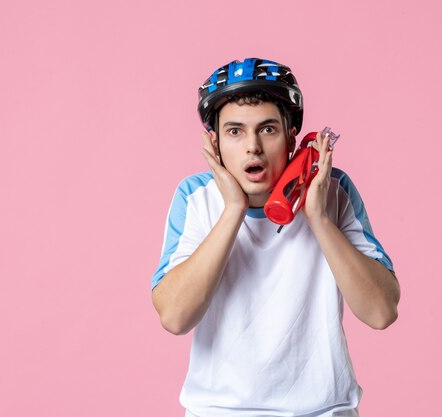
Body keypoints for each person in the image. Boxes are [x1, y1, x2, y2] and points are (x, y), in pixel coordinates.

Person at [151, 58, 400, 417]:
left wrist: (318, 217)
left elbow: (381, 312)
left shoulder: (333, 192)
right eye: (235, 131)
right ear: (215, 143)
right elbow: (175, 317)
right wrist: (233, 209)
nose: (252, 146)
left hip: (322, 411)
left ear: (291, 137)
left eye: (267, 129)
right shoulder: (196, 197)